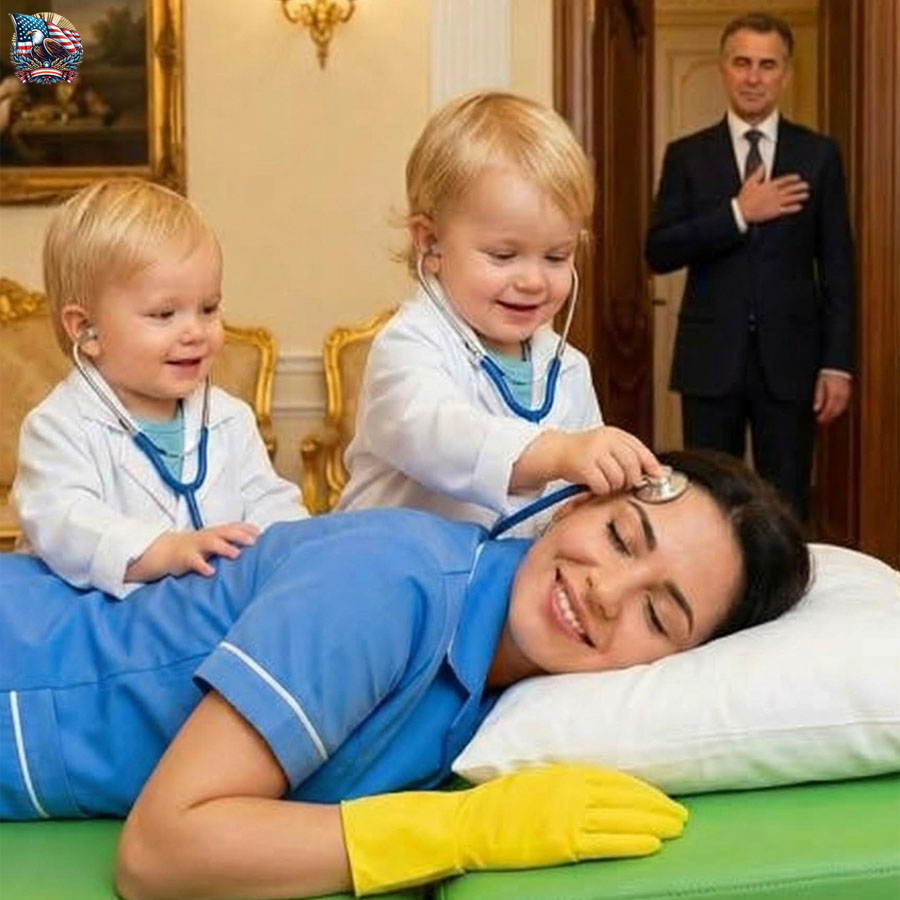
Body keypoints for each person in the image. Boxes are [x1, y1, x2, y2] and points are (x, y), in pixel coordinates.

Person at [0, 450, 810, 899]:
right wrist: (462, 832)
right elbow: (160, 853)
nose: (606, 590)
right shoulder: (390, 582)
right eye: (622, 538)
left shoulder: (503, 693)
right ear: (572, 505)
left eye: (658, 615)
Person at [339, 90, 662, 534]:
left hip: (505, 572)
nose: (533, 280)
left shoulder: (567, 369)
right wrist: (560, 452)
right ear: (430, 243)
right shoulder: (409, 345)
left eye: (556, 257)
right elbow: (440, 436)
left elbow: (571, 493)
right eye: (504, 255)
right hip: (386, 568)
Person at [12, 177, 307, 598]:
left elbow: (271, 503)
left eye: (208, 308)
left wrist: (289, 548)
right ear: (87, 329)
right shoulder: (59, 427)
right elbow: (66, 523)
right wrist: (164, 550)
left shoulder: (229, 419)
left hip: (205, 612)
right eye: (164, 314)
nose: (196, 331)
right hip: (97, 616)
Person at [645, 13, 854, 521]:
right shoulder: (687, 155)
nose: (753, 77)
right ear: (723, 69)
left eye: (767, 65)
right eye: (742, 63)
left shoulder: (818, 155)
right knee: (709, 502)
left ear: (786, 74)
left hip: (792, 361)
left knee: (787, 500)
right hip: (710, 359)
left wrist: (837, 364)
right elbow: (659, 250)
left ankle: (783, 576)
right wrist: (738, 213)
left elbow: (838, 267)